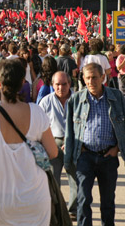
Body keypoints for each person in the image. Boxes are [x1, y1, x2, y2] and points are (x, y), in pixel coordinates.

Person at [0, 59, 58, 225]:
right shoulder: (37, 112)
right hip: (36, 198)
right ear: (22, 83)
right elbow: (53, 152)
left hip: (0, 201)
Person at [64, 62, 125, 226]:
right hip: (85, 156)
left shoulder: (116, 96)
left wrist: (118, 149)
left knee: (108, 202)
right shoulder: (76, 99)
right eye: (87, 78)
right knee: (83, 200)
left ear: (103, 77)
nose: (91, 82)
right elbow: (70, 130)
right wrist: (73, 154)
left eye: (94, 78)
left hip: (108, 157)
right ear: (83, 79)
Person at [38, 71, 78, 219]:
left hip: (73, 142)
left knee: (74, 178)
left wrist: (71, 141)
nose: (61, 88)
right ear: (52, 85)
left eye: (64, 84)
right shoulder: (46, 102)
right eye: (57, 84)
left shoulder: (77, 100)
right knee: (53, 180)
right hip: (52, 142)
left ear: (69, 84)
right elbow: (40, 125)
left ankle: (73, 209)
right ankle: (56, 210)